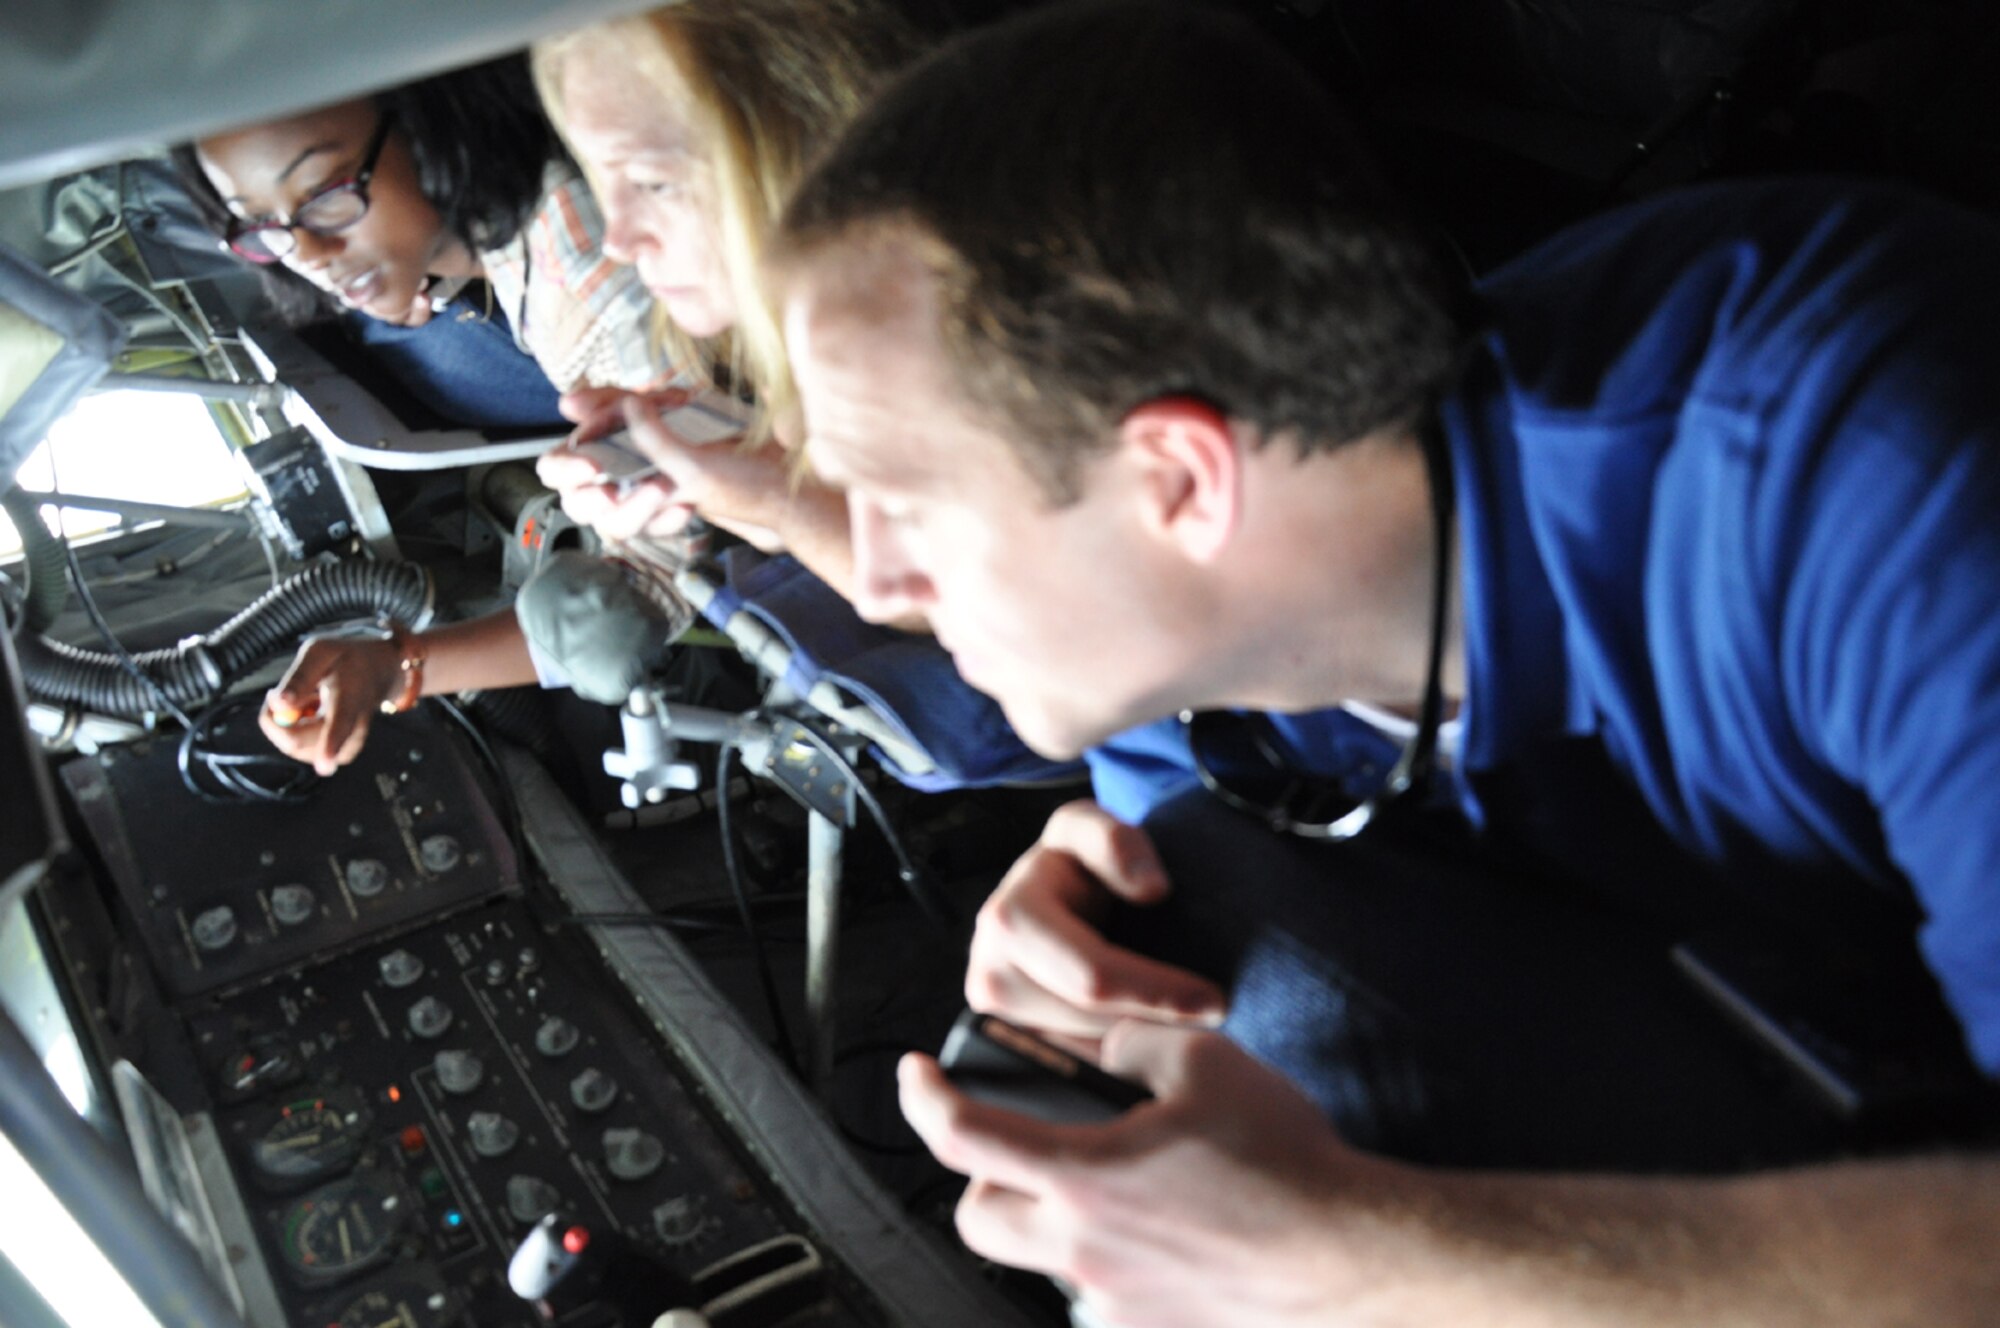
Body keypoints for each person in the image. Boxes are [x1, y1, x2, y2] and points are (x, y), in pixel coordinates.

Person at [766, 2, 2000, 1324]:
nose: (880, 580)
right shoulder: (1197, 670)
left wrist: (1355, 1248)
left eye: (908, 498)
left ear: (1180, 481)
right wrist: (1124, 996)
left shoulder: (1874, 471)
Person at [241, 3, 914, 775]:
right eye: (258, 228)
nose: (307, 253)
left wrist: (772, 504)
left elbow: (651, 585)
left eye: (326, 191)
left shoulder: (594, 282)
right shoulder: (571, 267)